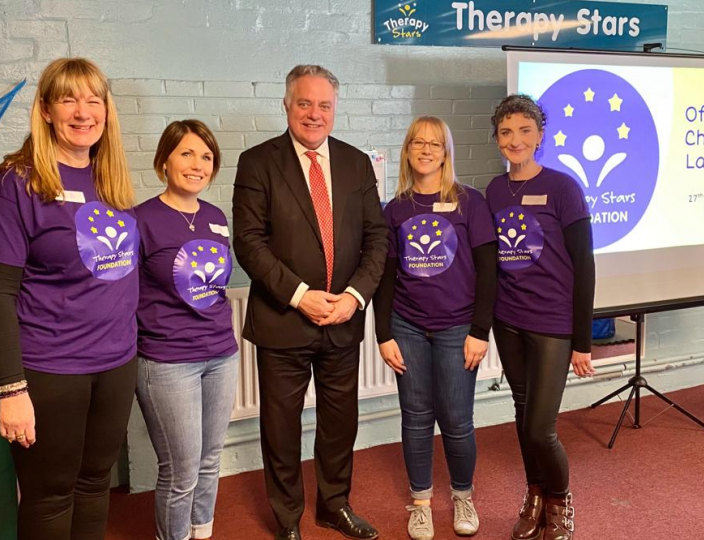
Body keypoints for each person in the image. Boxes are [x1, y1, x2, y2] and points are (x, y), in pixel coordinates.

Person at [0, 57, 137, 540]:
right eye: (68, 98)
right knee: (49, 497)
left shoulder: (111, 181)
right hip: (50, 369)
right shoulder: (17, 183)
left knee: (94, 486)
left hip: (116, 364)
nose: (83, 111)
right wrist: (10, 390)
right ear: (45, 110)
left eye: (93, 99)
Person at [232, 64, 388, 540]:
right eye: (304, 103)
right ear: (286, 104)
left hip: (342, 320)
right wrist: (300, 296)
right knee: (280, 429)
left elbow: (376, 237)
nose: (314, 114)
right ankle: (286, 519)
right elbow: (248, 241)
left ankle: (333, 505)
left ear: (335, 110)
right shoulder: (257, 162)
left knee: (340, 422)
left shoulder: (357, 162)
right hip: (284, 320)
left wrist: (356, 296)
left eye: (324, 105)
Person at [373, 116, 497, 540]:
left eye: (435, 144)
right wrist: (383, 334)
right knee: (416, 417)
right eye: (418, 143)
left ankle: (462, 495)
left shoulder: (470, 202)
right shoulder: (396, 210)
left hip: (457, 328)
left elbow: (487, 272)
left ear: (446, 152)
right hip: (406, 327)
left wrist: (481, 331)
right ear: (408, 150)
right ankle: (421, 502)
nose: (426, 150)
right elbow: (385, 276)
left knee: (458, 419)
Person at [486, 94, 596, 540]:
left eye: (525, 131)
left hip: (552, 324)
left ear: (540, 136)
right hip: (508, 319)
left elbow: (584, 265)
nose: (516, 140)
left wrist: (582, 340)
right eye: (507, 132)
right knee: (521, 411)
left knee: (540, 427)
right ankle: (535, 494)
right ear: (497, 139)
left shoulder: (563, 187)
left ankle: (560, 499)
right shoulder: (494, 190)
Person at [134, 120, 239, 540]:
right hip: (166, 361)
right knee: (180, 469)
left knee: (211, 458)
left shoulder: (215, 217)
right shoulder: (140, 219)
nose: (197, 164)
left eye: (207, 157)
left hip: (221, 353)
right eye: (187, 153)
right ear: (164, 161)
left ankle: (202, 533)